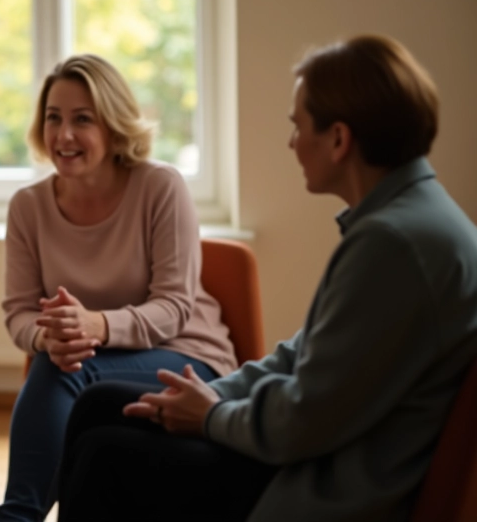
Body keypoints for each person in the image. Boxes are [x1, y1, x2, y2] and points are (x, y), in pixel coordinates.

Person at [57, 35, 477, 522]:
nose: (292, 142)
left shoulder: (393, 244)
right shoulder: (407, 218)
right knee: (101, 402)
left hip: (323, 479)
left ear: (339, 140)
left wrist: (212, 416)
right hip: (311, 445)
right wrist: (220, 393)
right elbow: (304, 354)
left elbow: (305, 421)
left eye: (298, 127)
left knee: (108, 455)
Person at [0, 54, 238, 521]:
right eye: (53, 118)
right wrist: (52, 337)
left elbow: (175, 307)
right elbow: (19, 313)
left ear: (113, 126)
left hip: (186, 356)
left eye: (82, 119)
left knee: (64, 372)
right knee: (63, 371)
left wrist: (96, 326)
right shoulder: (27, 206)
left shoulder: (160, 187)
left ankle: (15, 517)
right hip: (84, 364)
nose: (63, 135)